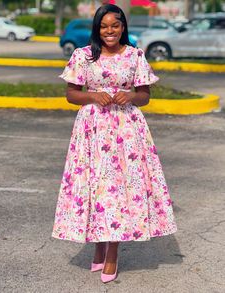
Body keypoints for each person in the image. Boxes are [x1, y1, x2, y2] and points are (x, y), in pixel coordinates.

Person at [52, 4, 177, 283]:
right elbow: (71, 95)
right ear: (97, 28)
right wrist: (93, 97)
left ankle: (112, 254)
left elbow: (145, 96)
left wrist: (130, 96)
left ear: (123, 27)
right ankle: (99, 246)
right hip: (92, 129)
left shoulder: (135, 56)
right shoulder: (83, 56)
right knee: (95, 186)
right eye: (104, 26)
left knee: (118, 189)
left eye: (115, 26)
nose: (110, 31)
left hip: (126, 130)